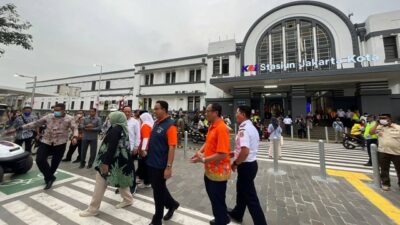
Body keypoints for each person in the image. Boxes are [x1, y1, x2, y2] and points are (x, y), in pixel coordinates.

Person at [5, 103, 78, 190]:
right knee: (40, 160)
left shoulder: (69, 118)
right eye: (55, 110)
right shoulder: (49, 116)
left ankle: (49, 178)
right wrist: (18, 129)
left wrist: (75, 137)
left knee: (55, 164)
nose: (56, 112)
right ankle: (50, 177)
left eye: (58, 110)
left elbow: (75, 128)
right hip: (46, 141)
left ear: (63, 110)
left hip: (60, 143)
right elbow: (35, 123)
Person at [79, 111, 134, 217]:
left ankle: (93, 209)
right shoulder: (123, 128)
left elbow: (111, 148)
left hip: (111, 161)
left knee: (100, 182)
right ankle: (128, 199)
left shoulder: (115, 130)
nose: (108, 119)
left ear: (116, 119)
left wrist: (105, 163)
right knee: (120, 178)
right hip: (121, 160)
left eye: (110, 118)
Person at [191, 103, 231, 225]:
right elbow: (208, 142)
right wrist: (200, 151)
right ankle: (223, 217)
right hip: (210, 170)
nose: (205, 113)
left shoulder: (221, 128)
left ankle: (221, 221)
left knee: (217, 200)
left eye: (207, 111)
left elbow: (223, 154)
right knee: (215, 199)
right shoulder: (212, 125)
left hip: (218, 173)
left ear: (216, 112)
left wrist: (203, 159)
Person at [227, 106, 267, 225]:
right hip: (250, 164)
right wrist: (232, 154)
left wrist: (235, 163)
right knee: (241, 190)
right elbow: (245, 149)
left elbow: (245, 151)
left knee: (251, 198)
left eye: (237, 112)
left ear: (243, 114)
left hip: (246, 166)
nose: (235, 114)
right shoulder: (252, 127)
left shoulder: (244, 129)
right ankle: (238, 213)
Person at [147, 101, 179, 225]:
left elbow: (172, 147)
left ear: (164, 110)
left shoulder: (170, 126)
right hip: (151, 162)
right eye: (154, 109)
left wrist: (168, 167)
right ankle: (172, 204)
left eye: (157, 109)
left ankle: (157, 219)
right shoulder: (156, 123)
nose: (154, 111)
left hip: (160, 165)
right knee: (158, 188)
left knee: (158, 193)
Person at [370, 114, 400, 191]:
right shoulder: (379, 127)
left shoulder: (397, 127)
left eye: (384, 118)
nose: (382, 119)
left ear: (390, 119)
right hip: (383, 151)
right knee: (384, 169)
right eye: (380, 118)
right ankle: (386, 184)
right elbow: (371, 132)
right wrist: (376, 123)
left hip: (397, 152)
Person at [123, 106, 141, 194]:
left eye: (128, 112)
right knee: (122, 167)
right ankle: (123, 186)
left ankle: (133, 185)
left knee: (130, 168)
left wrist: (136, 147)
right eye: (125, 111)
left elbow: (138, 135)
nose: (127, 113)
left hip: (130, 149)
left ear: (131, 112)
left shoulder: (135, 122)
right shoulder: (120, 121)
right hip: (121, 149)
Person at [136, 112, 153, 189]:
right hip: (148, 148)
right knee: (144, 165)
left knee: (145, 166)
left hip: (145, 149)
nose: (140, 120)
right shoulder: (149, 124)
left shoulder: (145, 125)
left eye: (141, 119)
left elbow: (145, 138)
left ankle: (147, 182)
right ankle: (144, 180)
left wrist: (143, 149)